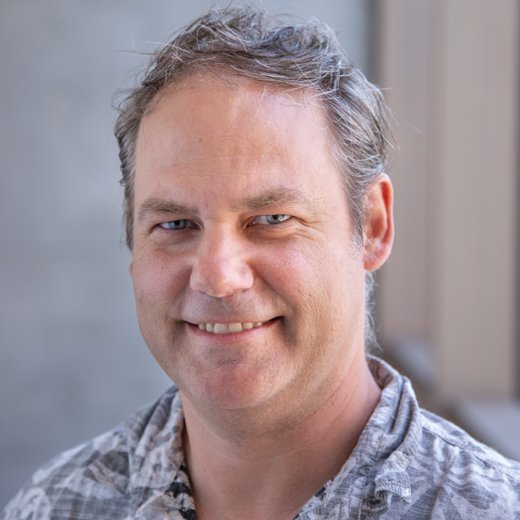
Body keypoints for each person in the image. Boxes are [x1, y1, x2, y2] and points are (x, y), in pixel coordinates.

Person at [2, 6, 519, 519]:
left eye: (272, 218)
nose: (217, 276)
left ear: (373, 226)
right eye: (176, 224)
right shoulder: (54, 505)